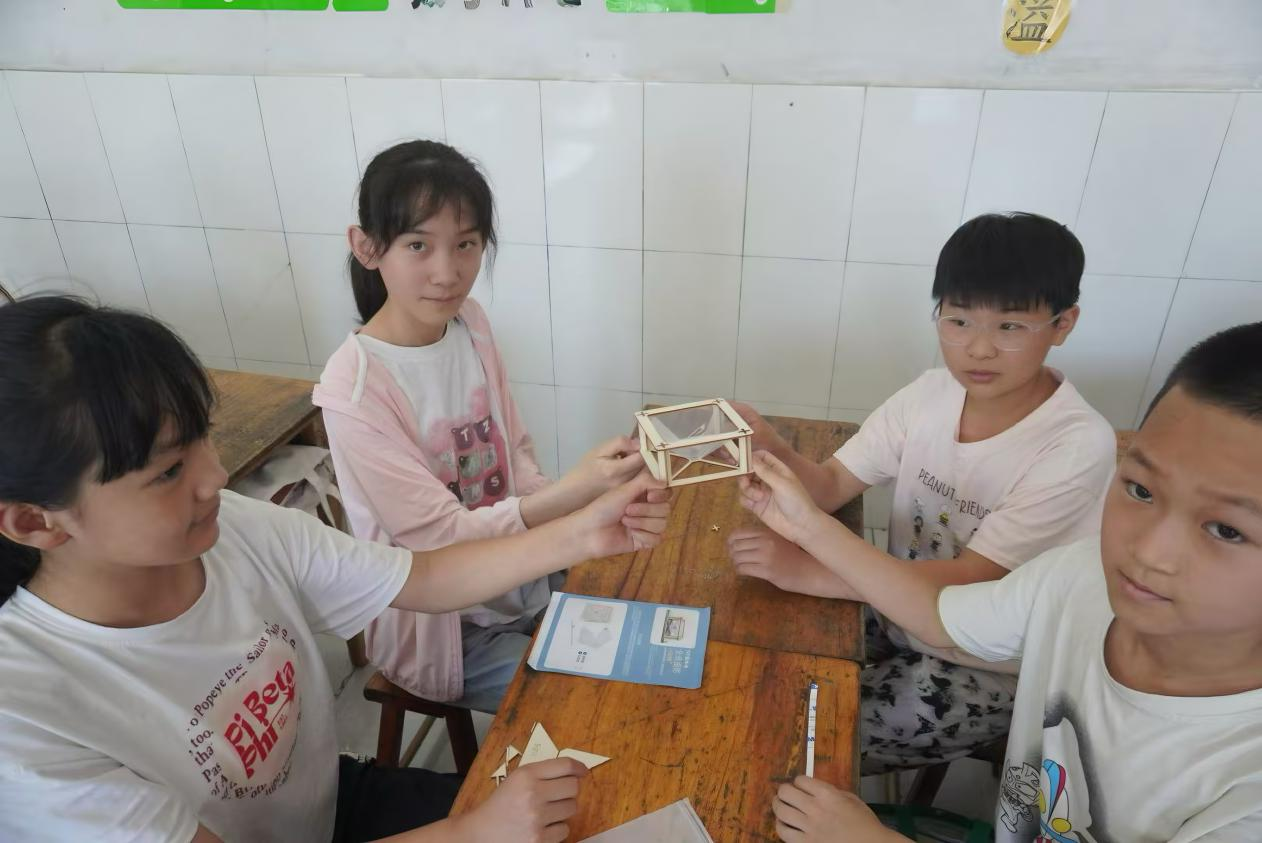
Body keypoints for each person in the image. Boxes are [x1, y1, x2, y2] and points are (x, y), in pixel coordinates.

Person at [0, 296, 670, 843]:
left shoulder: (231, 529)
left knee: (609, 808)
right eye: (169, 471)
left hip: (331, 805)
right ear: (34, 521)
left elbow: (422, 579)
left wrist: (584, 531)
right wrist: (472, 833)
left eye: (203, 436)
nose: (217, 475)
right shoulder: (26, 716)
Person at [746, 321, 1262, 842]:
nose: (1148, 552)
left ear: (1061, 323)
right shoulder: (1079, 577)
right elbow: (940, 616)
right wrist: (805, 526)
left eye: (1227, 530)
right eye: (1141, 491)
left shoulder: (1245, 780)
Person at [729, 213, 1117, 772]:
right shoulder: (930, 394)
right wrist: (769, 447)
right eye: (958, 320)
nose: (978, 348)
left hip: (989, 659)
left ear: (1063, 324)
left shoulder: (1076, 445)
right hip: (894, 603)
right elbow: (831, 485)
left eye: (1010, 327)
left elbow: (969, 582)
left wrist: (808, 572)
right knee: (754, 671)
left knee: (795, 749)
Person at [314, 140, 644, 712]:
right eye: (418, 245)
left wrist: (575, 495)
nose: (448, 273)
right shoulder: (354, 391)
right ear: (367, 247)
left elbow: (515, 449)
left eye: (465, 244)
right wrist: (577, 494)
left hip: (525, 580)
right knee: (601, 705)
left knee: (650, 633)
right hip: (448, 635)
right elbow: (441, 543)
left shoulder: (470, 323)